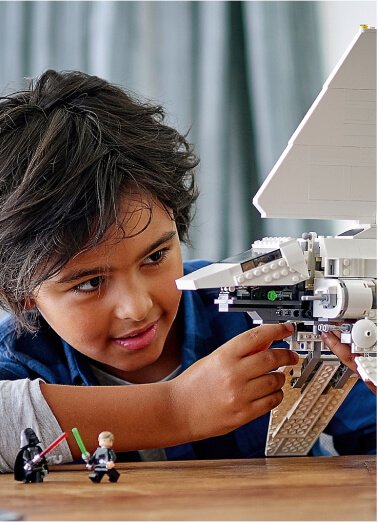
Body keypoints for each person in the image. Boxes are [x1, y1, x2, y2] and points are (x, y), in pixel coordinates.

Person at [0, 70, 375, 472]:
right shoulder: (20, 359)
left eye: (155, 257)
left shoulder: (262, 315)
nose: (137, 307)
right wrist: (177, 408)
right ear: (23, 291)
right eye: (90, 283)